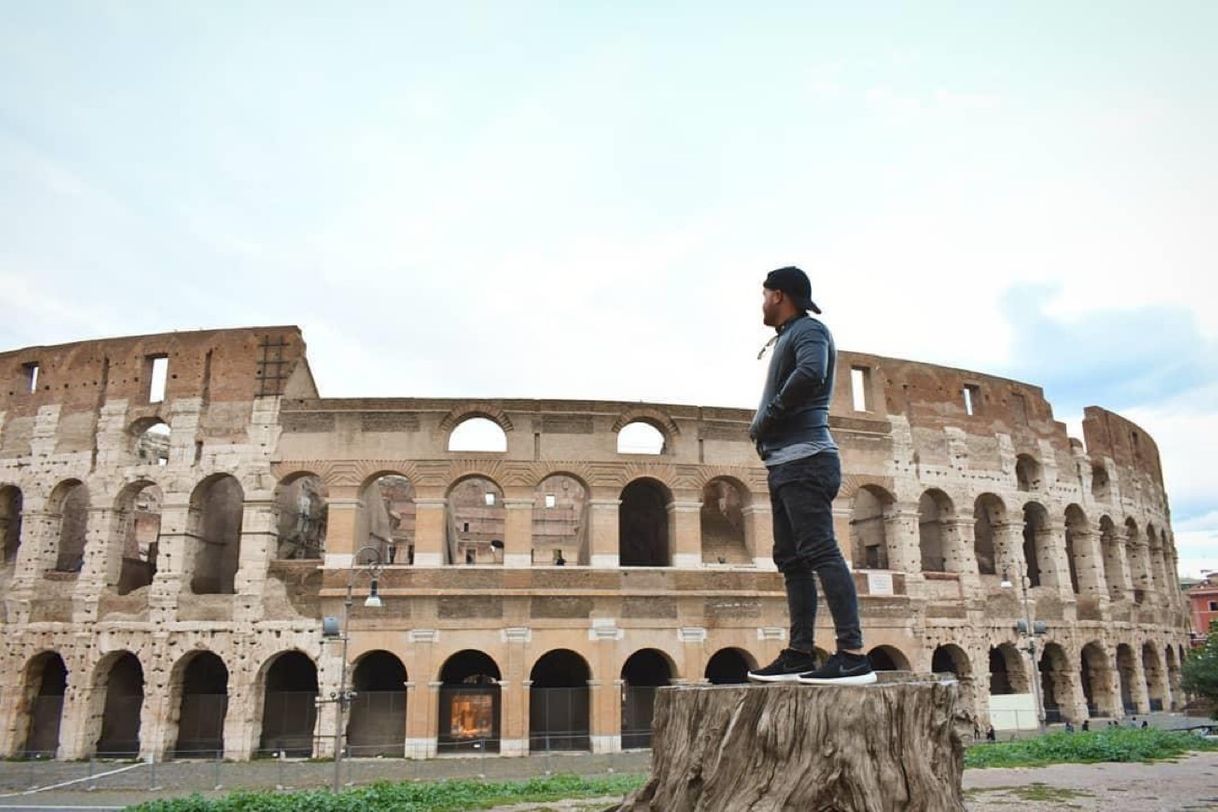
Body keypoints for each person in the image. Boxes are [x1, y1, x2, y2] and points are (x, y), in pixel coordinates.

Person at [745, 267, 875, 686]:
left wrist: (769, 416)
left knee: (820, 551)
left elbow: (810, 373)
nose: (761, 302)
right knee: (792, 559)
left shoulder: (810, 331)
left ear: (779, 295)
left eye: (764, 295)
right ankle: (800, 653)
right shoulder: (788, 335)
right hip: (785, 463)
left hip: (806, 458)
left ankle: (853, 655)